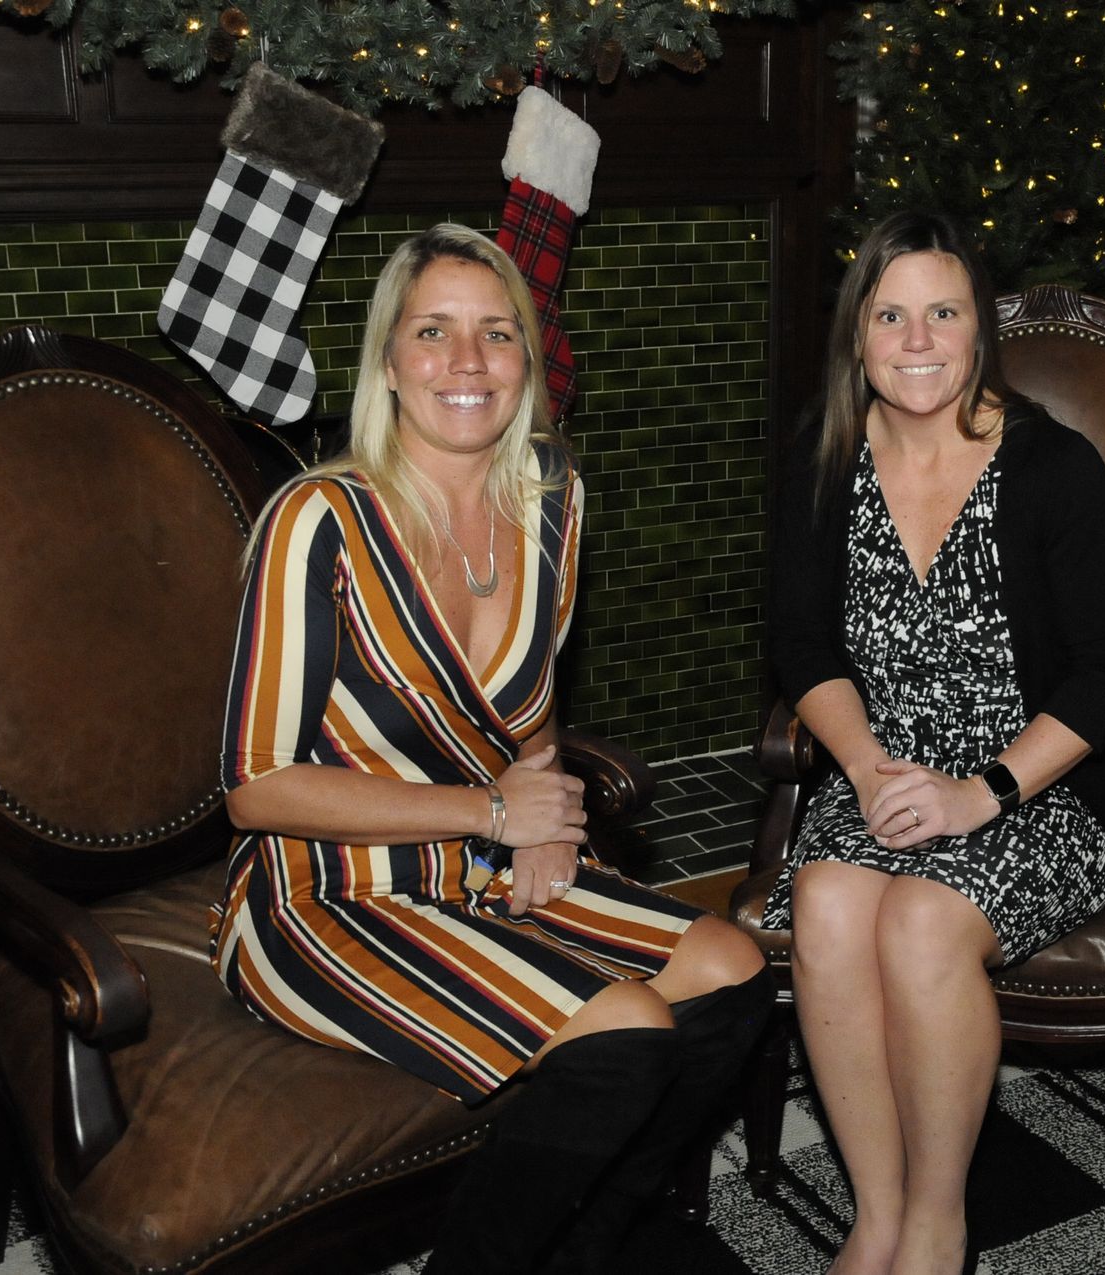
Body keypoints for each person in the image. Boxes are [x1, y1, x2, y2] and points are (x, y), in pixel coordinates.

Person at [210, 222, 771, 1274]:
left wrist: (543, 821)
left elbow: (527, 716)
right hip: (323, 895)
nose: (468, 364)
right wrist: (493, 815)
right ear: (389, 361)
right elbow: (256, 788)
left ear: (528, 360)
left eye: (496, 335)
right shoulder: (317, 520)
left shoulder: (550, 498)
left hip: (484, 862)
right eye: (434, 333)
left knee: (736, 971)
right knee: (626, 1037)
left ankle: (581, 1247)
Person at [763, 210, 1105, 1275]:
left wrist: (981, 793)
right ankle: (875, 1214)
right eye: (891, 316)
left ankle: (938, 1224)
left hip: (1039, 783)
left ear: (980, 330)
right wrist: (869, 768)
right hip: (883, 766)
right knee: (830, 902)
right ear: (857, 337)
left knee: (925, 927)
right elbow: (799, 640)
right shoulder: (825, 457)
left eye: (944, 312)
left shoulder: (1052, 468)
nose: (918, 339)